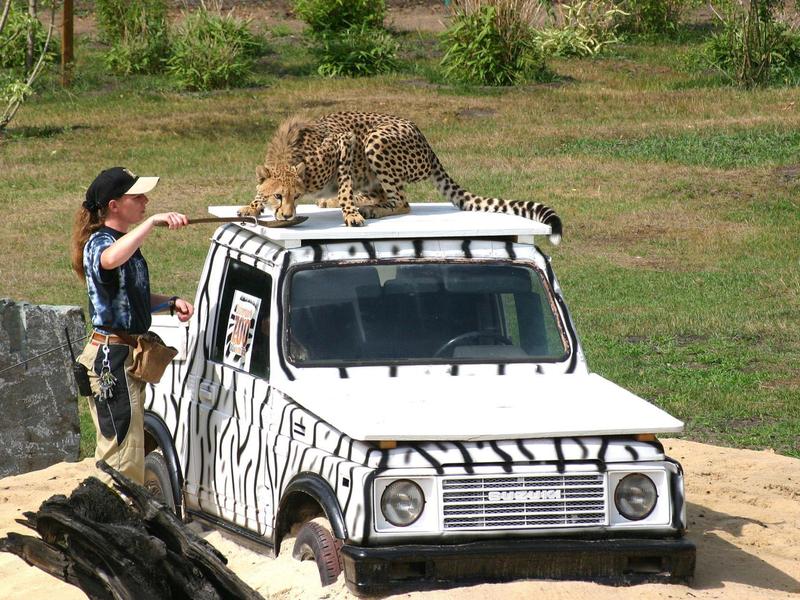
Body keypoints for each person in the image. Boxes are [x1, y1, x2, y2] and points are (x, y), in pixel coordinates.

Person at [70, 166, 194, 485]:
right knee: (120, 455)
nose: (145, 201)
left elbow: (130, 294)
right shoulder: (100, 242)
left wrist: (169, 302)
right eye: (137, 196)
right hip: (111, 357)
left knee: (128, 447)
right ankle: (117, 526)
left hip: (122, 355)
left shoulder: (123, 242)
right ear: (114, 205)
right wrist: (152, 223)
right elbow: (108, 260)